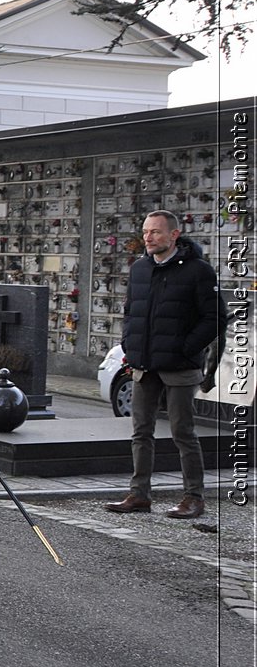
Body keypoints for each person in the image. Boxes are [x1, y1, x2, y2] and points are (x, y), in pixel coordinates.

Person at [106, 210, 223, 519]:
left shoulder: (199, 271)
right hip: (144, 364)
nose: (148, 237)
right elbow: (131, 313)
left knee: (183, 433)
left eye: (156, 232)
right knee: (140, 432)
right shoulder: (140, 269)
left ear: (173, 235)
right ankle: (139, 495)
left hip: (180, 367)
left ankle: (193, 497)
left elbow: (215, 318)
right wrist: (129, 346)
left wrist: (186, 349)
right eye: (145, 231)